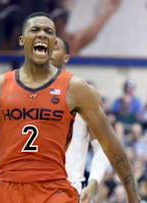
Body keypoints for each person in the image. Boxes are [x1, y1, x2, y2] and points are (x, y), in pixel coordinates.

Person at [0, 12, 140, 203]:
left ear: (53, 41)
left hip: (54, 188)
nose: (42, 35)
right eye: (35, 30)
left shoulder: (76, 89)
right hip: (9, 189)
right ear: (22, 40)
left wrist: (133, 196)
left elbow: (111, 145)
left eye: (49, 32)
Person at [51, 36, 110, 203]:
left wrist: (93, 183)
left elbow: (103, 148)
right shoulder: (23, 94)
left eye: (54, 47)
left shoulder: (81, 94)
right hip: (29, 189)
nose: (48, 51)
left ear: (66, 58)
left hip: (66, 190)